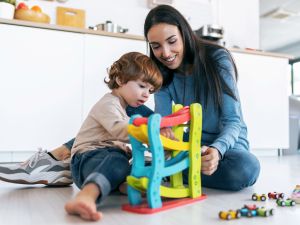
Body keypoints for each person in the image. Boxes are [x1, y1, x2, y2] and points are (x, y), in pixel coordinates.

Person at [0, 5, 260, 192]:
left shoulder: (216, 59)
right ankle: (60, 157)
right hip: (182, 149)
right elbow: (163, 123)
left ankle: (127, 167)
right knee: (128, 107)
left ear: (184, 34)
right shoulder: (162, 72)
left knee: (245, 170)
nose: (165, 53)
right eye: (156, 46)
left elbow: (233, 121)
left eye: (171, 41)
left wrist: (215, 150)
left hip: (225, 150)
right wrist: (167, 142)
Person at [64, 52, 162, 221]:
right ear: (120, 80)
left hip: (106, 157)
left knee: (144, 162)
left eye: (150, 90)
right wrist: (150, 133)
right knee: (118, 161)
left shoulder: (124, 107)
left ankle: (124, 185)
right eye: (142, 86)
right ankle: (86, 196)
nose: (147, 94)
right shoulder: (108, 103)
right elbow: (120, 130)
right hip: (87, 158)